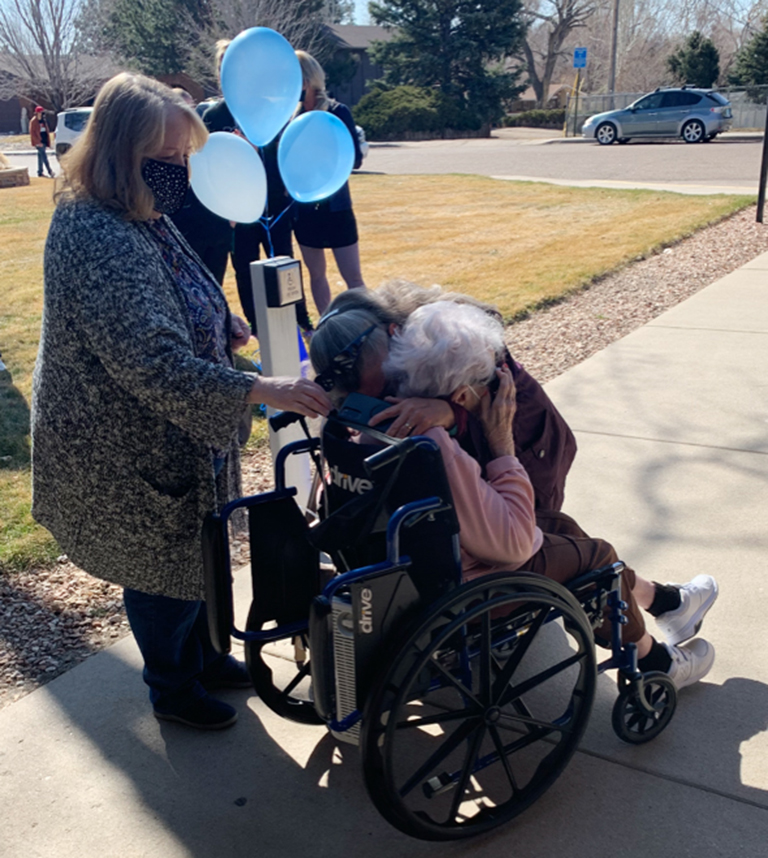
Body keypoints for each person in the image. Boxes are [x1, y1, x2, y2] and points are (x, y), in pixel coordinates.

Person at [31, 73, 332, 731]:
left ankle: (202, 654)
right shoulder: (93, 231)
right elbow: (152, 362)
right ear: (118, 152)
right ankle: (172, 687)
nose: (176, 170)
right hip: (121, 439)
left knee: (200, 549)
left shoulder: (140, 210)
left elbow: (184, 284)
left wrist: (217, 321)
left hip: (174, 431)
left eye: (181, 157)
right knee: (162, 565)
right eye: (163, 158)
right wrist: (263, 388)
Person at [382, 301, 718, 690]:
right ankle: (656, 662)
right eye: (491, 383)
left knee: (562, 528)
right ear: (460, 397)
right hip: (468, 583)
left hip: (421, 563)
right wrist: (503, 447)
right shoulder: (436, 448)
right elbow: (516, 544)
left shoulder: (371, 418)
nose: (501, 389)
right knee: (599, 559)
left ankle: (666, 602)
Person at [309, 281, 577, 511]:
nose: (388, 397)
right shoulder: (357, 363)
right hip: (472, 462)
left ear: (396, 333)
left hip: (529, 443)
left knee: (537, 523)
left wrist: (452, 413)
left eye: (389, 385)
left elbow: (493, 401)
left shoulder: (455, 330)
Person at [203, 40, 313, 333]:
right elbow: (206, 162)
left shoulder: (270, 108)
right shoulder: (214, 116)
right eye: (224, 66)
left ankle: (301, 323)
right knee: (245, 270)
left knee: (284, 262)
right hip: (236, 210)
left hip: (274, 203)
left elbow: (286, 150)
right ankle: (258, 326)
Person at [292, 51, 366, 316]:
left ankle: (367, 325)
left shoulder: (337, 111)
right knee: (316, 275)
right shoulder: (290, 118)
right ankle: (327, 327)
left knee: (353, 278)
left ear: (307, 79)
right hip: (304, 209)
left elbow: (355, 158)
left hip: (337, 207)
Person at [29, 106, 54, 178]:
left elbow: (46, 130)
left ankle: (40, 172)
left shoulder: (43, 120)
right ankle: (50, 171)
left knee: (40, 157)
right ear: (36, 113)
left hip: (44, 140)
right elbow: (32, 133)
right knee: (44, 157)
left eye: (42, 112)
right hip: (39, 142)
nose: (41, 114)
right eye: (40, 112)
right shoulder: (33, 121)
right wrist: (37, 142)